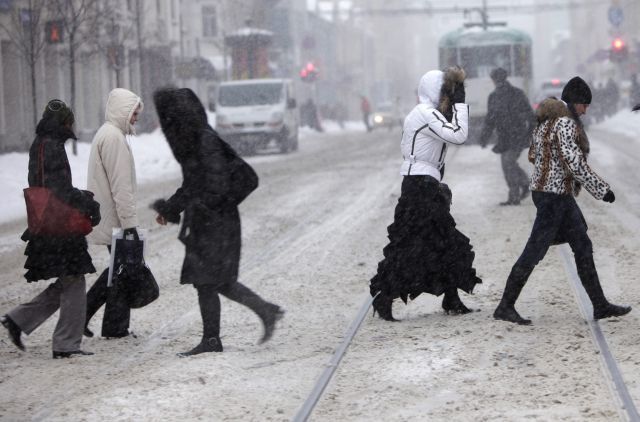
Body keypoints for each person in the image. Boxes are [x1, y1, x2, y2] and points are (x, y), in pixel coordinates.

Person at [151, 87, 284, 356]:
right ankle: (263, 312)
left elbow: (216, 186)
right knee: (215, 281)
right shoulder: (194, 142)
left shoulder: (204, 141)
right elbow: (192, 185)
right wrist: (171, 208)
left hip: (216, 223)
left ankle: (216, 338)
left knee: (209, 280)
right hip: (209, 221)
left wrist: (202, 207)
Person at [493, 77, 631, 325]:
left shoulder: (545, 124)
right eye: (583, 104)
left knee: (582, 245)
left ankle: (599, 305)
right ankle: (505, 306)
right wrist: (602, 190)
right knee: (533, 251)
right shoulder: (566, 124)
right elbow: (575, 164)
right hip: (554, 197)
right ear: (574, 102)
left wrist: (551, 166)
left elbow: (534, 156)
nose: (585, 110)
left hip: (552, 194)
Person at [369, 67, 482, 321]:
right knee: (412, 246)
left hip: (424, 183)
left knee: (444, 241)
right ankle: (384, 297)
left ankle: (450, 297)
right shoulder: (424, 114)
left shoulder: (427, 113)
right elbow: (459, 135)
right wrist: (461, 106)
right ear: (434, 91)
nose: (449, 95)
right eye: (445, 91)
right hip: (419, 187)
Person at [1, 99, 101, 358]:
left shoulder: (42, 144)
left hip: (51, 221)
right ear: (64, 122)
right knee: (74, 278)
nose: (72, 125)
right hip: (59, 225)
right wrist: (86, 201)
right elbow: (59, 190)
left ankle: (18, 319)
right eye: (70, 120)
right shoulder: (52, 146)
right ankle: (66, 343)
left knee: (69, 279)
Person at [84, 88, 144, 338]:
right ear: (122, 111)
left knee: (117, 270)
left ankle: (111, 324)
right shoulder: (114, 139)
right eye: (134, 112)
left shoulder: (109, 134)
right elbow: (121, 187)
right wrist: (130, 225)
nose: (136, 117)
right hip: (115, 220)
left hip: (110, 217)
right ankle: (108, 324)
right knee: (120, 271)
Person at [479, 68, 535, 205]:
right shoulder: (494, 97)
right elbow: (490, 119)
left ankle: (516, 194)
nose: (497, 82)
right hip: (504, 137)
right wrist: (484, 136)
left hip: (517, 136)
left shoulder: (517, 94)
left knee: (508, 162)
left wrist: (529, 133)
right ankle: (524, 185)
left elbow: (530, 116)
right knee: (508, 164)